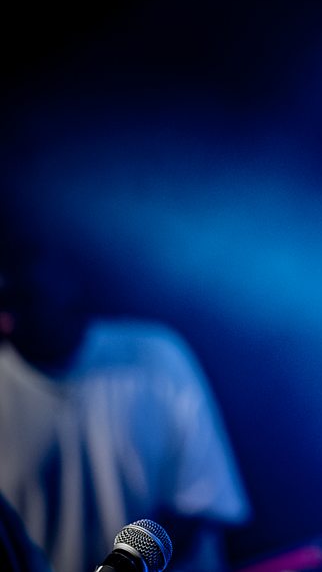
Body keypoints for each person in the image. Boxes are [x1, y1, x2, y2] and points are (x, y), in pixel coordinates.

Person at [0, 222, 251, 572]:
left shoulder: (156, 356)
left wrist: (127, 564)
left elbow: (198, 503)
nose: (10, 320)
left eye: (26, 299)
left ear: (65, 289)